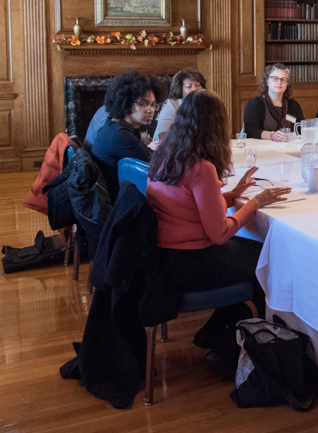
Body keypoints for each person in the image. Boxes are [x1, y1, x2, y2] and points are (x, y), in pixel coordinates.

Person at [146, 90, 291, 372]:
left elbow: (189, 205)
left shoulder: (166, 154)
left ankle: (218, 331)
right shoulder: (200, 167)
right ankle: (262, 352)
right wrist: (256, 203)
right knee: (267, 260)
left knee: (254, 252)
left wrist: (233, 194)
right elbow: (220, 233)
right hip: (190, 263)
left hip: (165, 258)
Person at [91, 70, 159, 200]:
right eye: (143, 103)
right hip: (116, 203)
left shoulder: (114, 124)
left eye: (153, 104)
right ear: (126, 102)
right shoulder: (120, 135)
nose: (150, 110)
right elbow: (153, 162)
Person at [244, 64, 305, 141]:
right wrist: (271, 135)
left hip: (289, 147)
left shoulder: (294, 105)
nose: (279, 82)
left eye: (283, 79)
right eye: (275, 78)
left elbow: (301, 129)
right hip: (263, 148)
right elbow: (250, 131)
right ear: (267, 82)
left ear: (287, 84)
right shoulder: (256, 103)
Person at [153, 68, 205, 143]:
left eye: (198, 85)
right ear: (180, 89)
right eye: (189, 86)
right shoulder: (172, 104)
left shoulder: (205, 103)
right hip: (170, 147)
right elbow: (163, 135)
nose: (195, 89)